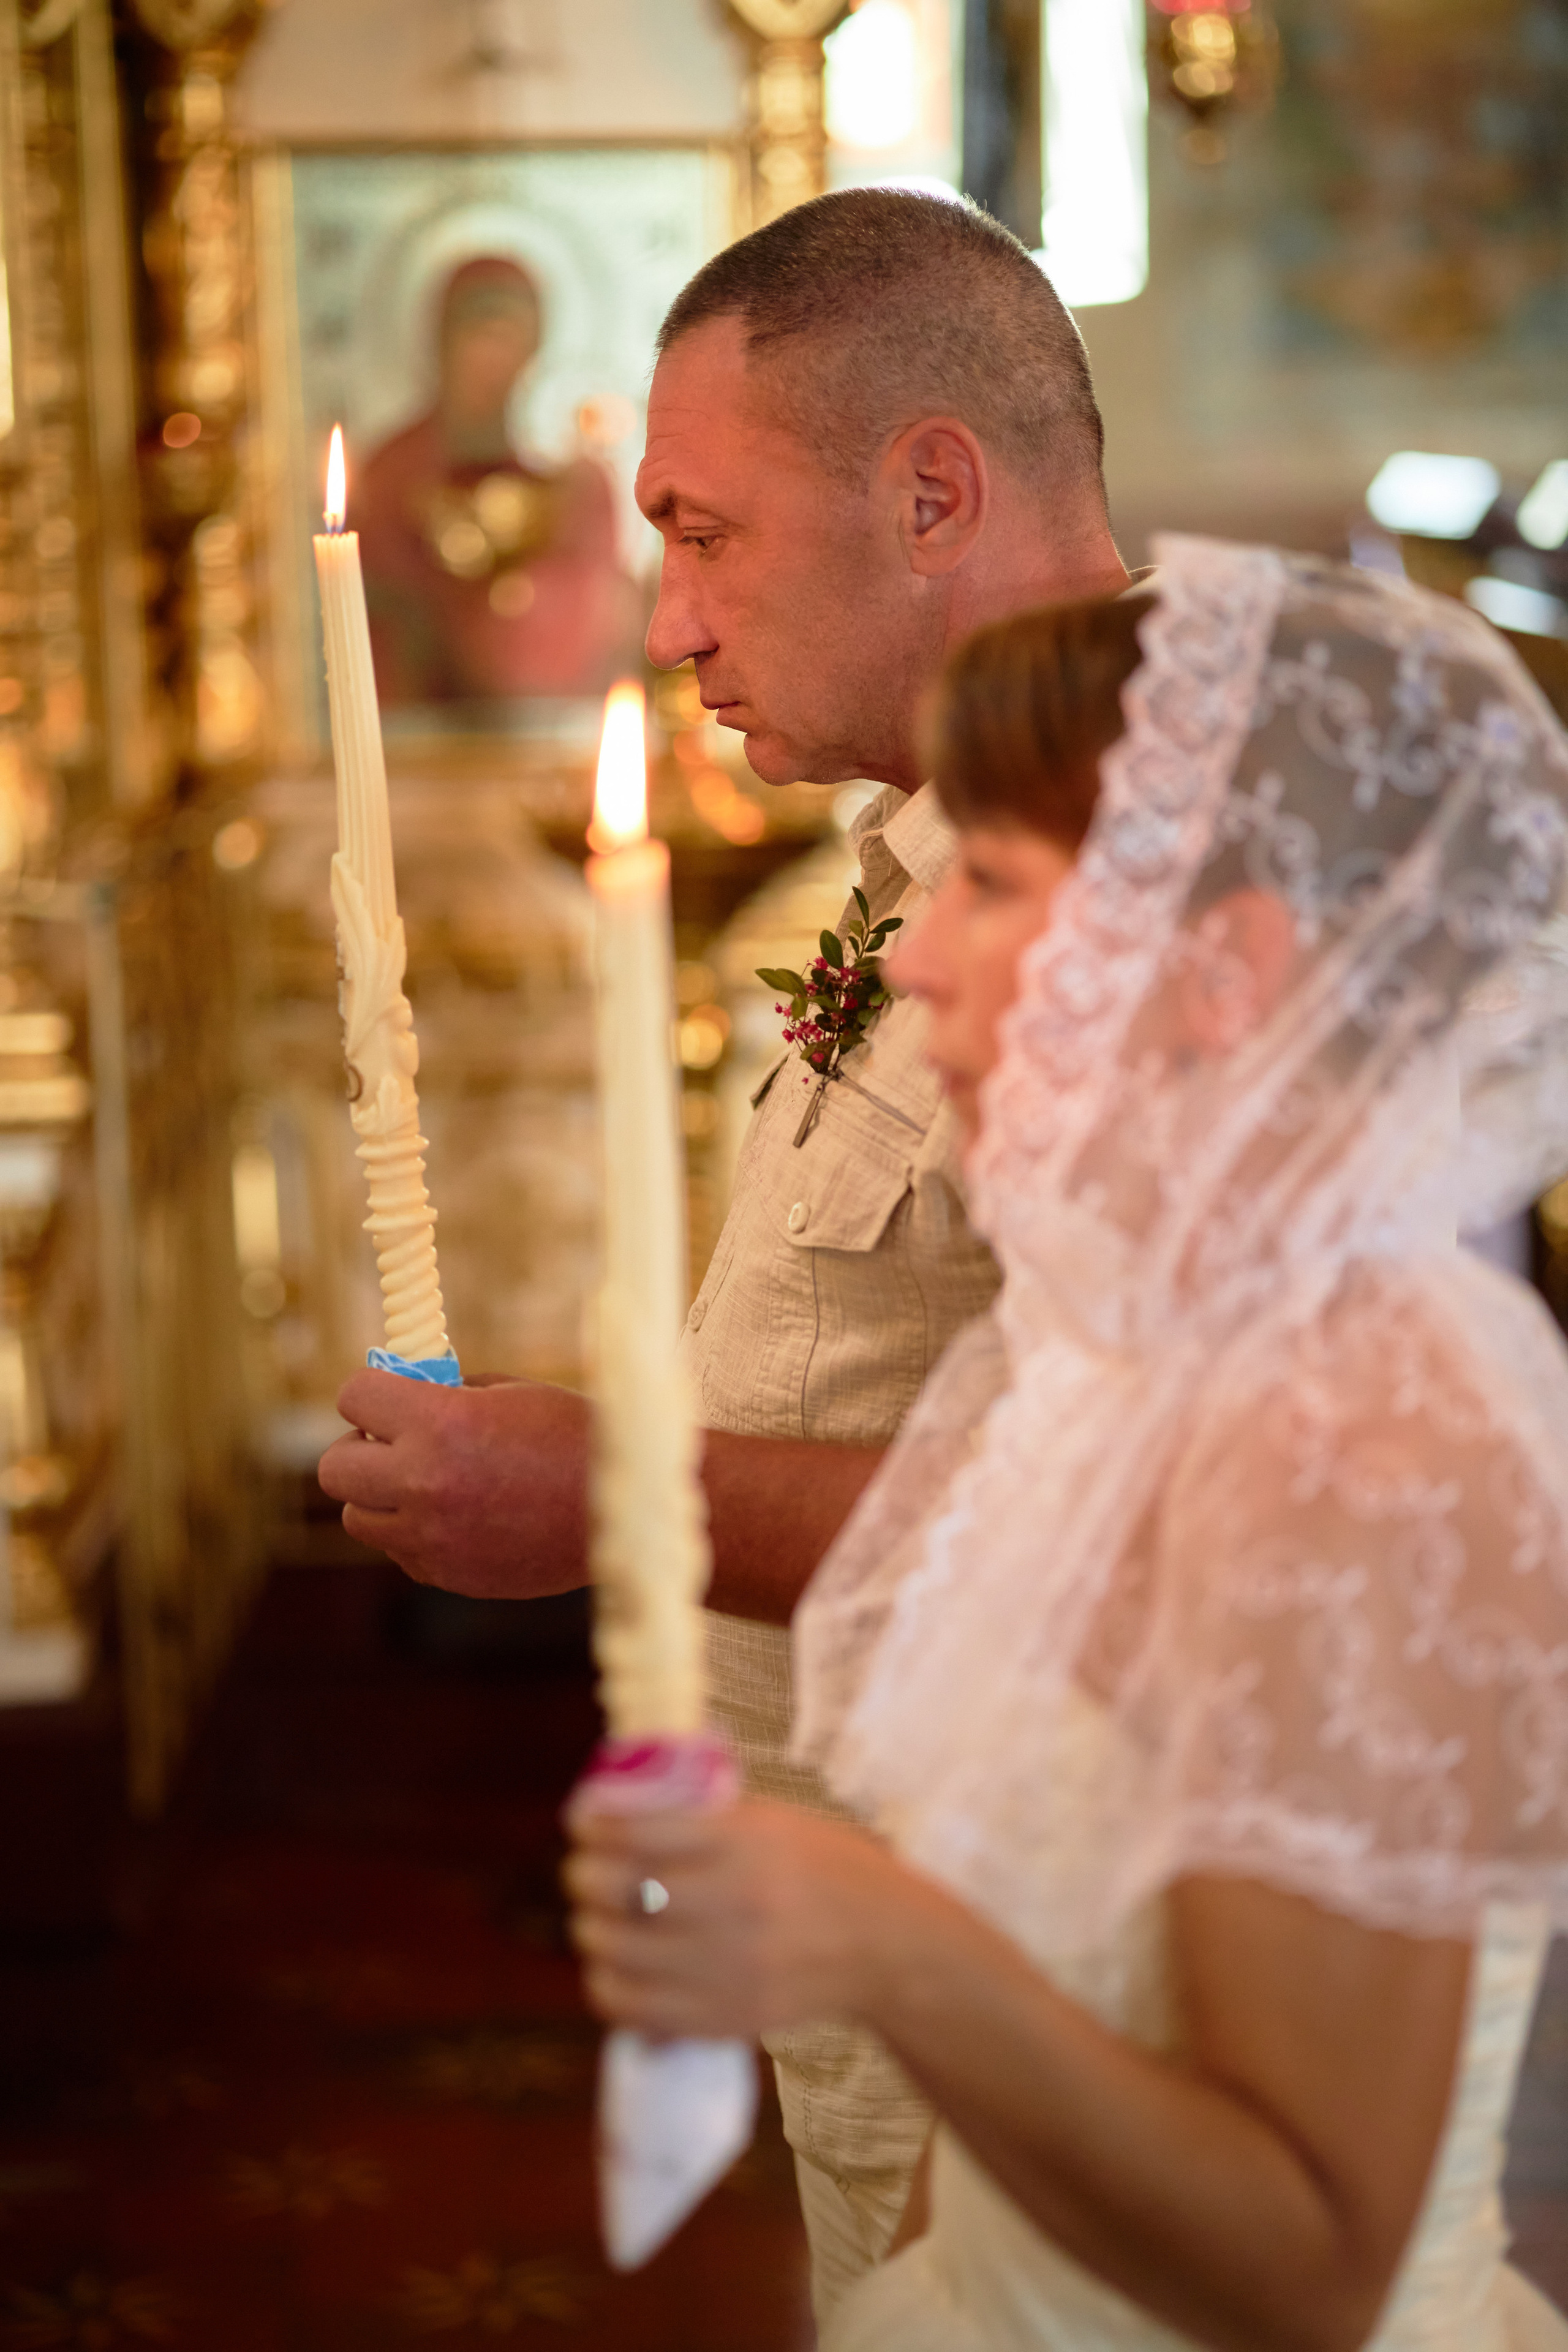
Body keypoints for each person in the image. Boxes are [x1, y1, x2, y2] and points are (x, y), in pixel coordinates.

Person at [565, 544, 1568, 2352]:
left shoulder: (1360, 1456)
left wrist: (875, 1938)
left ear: (1222, 967)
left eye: (995, 882)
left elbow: (1310, 2266)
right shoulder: (1147, 1352)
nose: (914, 956)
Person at [319, 187, 1134, 2311]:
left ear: (931, 494)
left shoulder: (1140, 877)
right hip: (893, 1949)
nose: (668, 618)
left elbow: (1155, 1529)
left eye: (704, 533)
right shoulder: (948, 834)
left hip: (1057, 1988)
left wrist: (623, 1495)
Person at [355, 254, 634, 704]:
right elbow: (373, 617)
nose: (494, 361)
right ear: (442, 344)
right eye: (478, 337)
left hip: (556, 720)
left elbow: (608, 610)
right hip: (429, 718)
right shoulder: (394, 470)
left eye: (510, 339)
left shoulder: (578, 476)